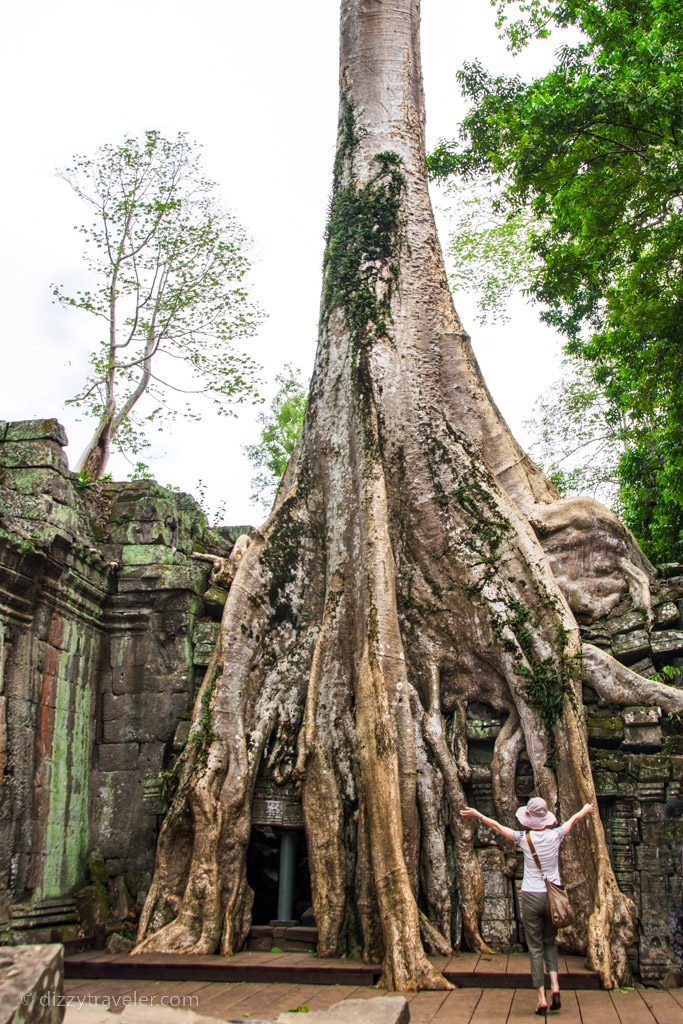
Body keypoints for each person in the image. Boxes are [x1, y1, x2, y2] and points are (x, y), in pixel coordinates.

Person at [460, 797, 594, 1015]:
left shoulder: (523, 838)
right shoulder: (556, 835)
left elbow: (496, 826)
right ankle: (556, 986)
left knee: (535, 947)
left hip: (531, 896)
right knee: (550, 942)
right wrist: (585, 809)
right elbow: (573, 820)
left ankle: (541, 997)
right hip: (553, 898)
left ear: (529, 817)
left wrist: (477, 814)